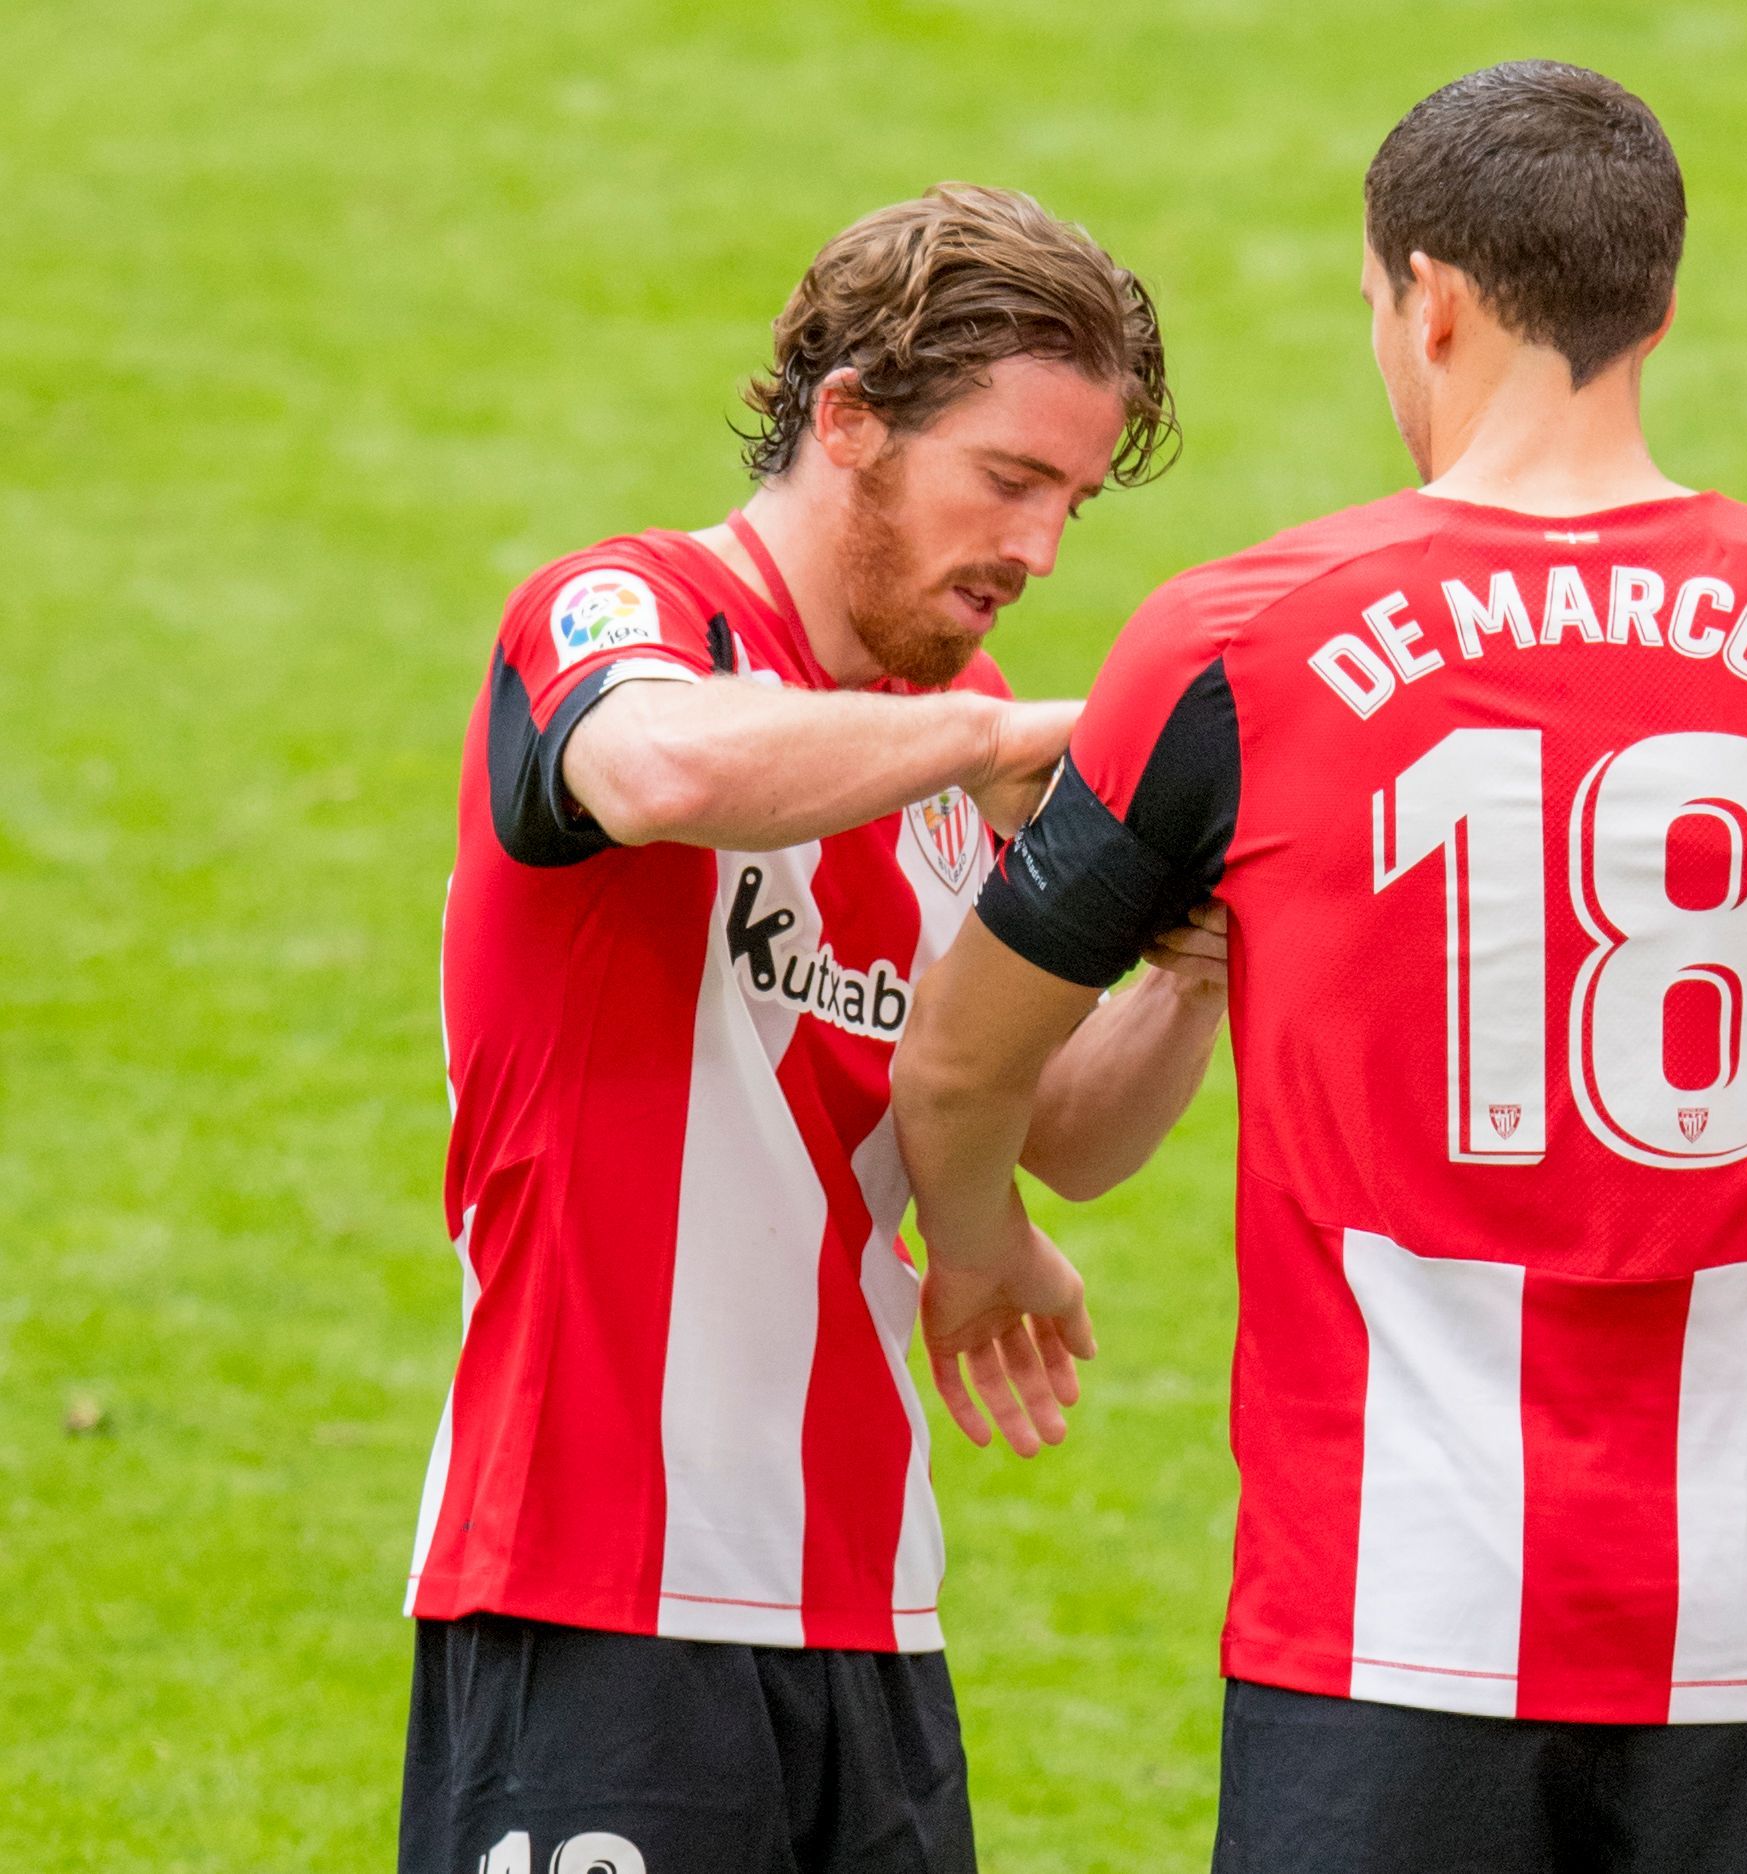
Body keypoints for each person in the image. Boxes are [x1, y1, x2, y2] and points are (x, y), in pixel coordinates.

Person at [892, 61, 1747, 1874]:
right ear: (1655, 309)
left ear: (1424, 298)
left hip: (1378, 1630)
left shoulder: (1235, 639)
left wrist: (975, 1243)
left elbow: (964, 1067)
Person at [400, 185, 1231, 1874]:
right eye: (1008, 481)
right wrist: (988, 740)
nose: (1040, 550)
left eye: (1072, 500)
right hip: (594, 1581)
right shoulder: (622, 613)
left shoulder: (954, 743)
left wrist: (1192, 970)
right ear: (848, 420)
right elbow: (658, 773)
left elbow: (1064, 1125)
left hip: (866, 1605)